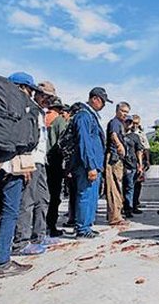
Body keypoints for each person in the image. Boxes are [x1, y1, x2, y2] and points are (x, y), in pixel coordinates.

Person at [10, 73, 54, 255]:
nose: (48, 100)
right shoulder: (28, 110)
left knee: (43, 199)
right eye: (45, 96)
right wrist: (25, 161)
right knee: (26, 202)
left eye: (50, 98)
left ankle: (39, 235)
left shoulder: (39, 112)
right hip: (30, 160)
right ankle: (21, 242)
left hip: (40, 161)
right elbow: (25, 137)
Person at [71, 87, 111, 238]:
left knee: (92, 196)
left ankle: (87, 225)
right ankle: (82, 229)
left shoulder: (91, 116)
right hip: (88, 165)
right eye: (103, 102)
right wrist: (90, 166)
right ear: (95, 99)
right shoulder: (83, 116)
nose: (104, 105)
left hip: (95, 164)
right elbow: (85, 142)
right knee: (86, 195)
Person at [46, 98, 69, 237]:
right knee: (54, 197)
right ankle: (51, 227)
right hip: (55, 161)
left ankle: (41, 226)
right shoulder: (59, 121)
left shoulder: (43, 117)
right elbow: (63, 142)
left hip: (41, 162)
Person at [105, 102, 129, 223]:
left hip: (118, 158)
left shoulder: (120, 123)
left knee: (118, 186)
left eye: (127, 112)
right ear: (117, 110)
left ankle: (116, 214)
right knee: (113, 187)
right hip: (113, 157)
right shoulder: (114, 122)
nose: (125, 114)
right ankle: (114, 217)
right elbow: (113, 135)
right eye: (123, 111)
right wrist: (119, 145)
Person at [122, 116, 145, 216]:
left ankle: (129, 208)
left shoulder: (135, 136)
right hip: (120, 164)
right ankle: (122, 207)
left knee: (130, 187)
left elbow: (139, 150)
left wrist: (140, 165)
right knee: (121, 188)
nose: (129, 124)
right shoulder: (118, 134)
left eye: (130, 122)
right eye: (126, 122)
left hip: (131, 164)